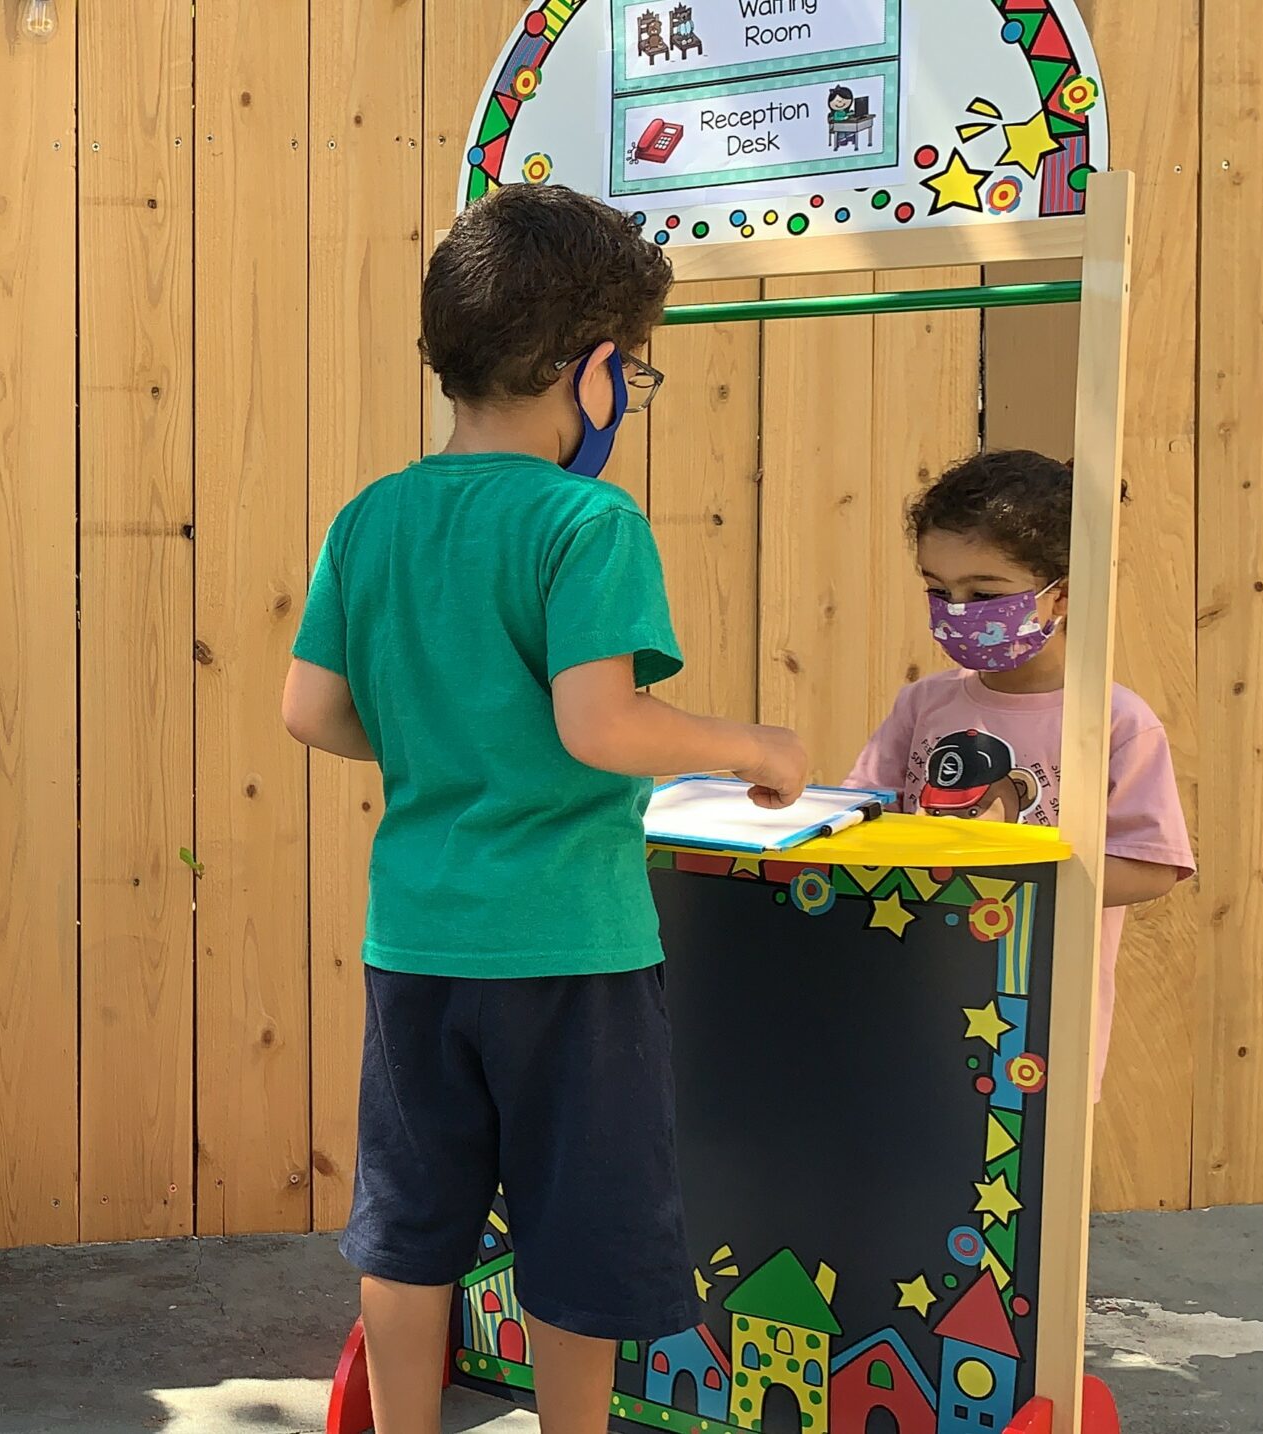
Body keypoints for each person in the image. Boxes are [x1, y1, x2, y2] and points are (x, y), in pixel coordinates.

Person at [280, 182, 807, 1434]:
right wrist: (750, 743)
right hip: (570, 950)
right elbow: (603, 726)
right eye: (641, 376)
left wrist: (432, 744)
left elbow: (310, 711)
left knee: (410, 1233)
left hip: (417, 945)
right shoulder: (588, 520)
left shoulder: (373, 516)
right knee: (584, 1234)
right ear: (601, 369)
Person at [846, 449, 1194, 1100]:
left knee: (1029, 1187)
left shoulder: (1117, 721)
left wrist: (1009, 879)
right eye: (937, 589)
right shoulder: (924, 704)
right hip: (912, 990)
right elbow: (858, 813)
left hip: (1039, 1012)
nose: (955, 609)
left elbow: (1152, 865)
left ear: (1058, 594)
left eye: (983, 594)